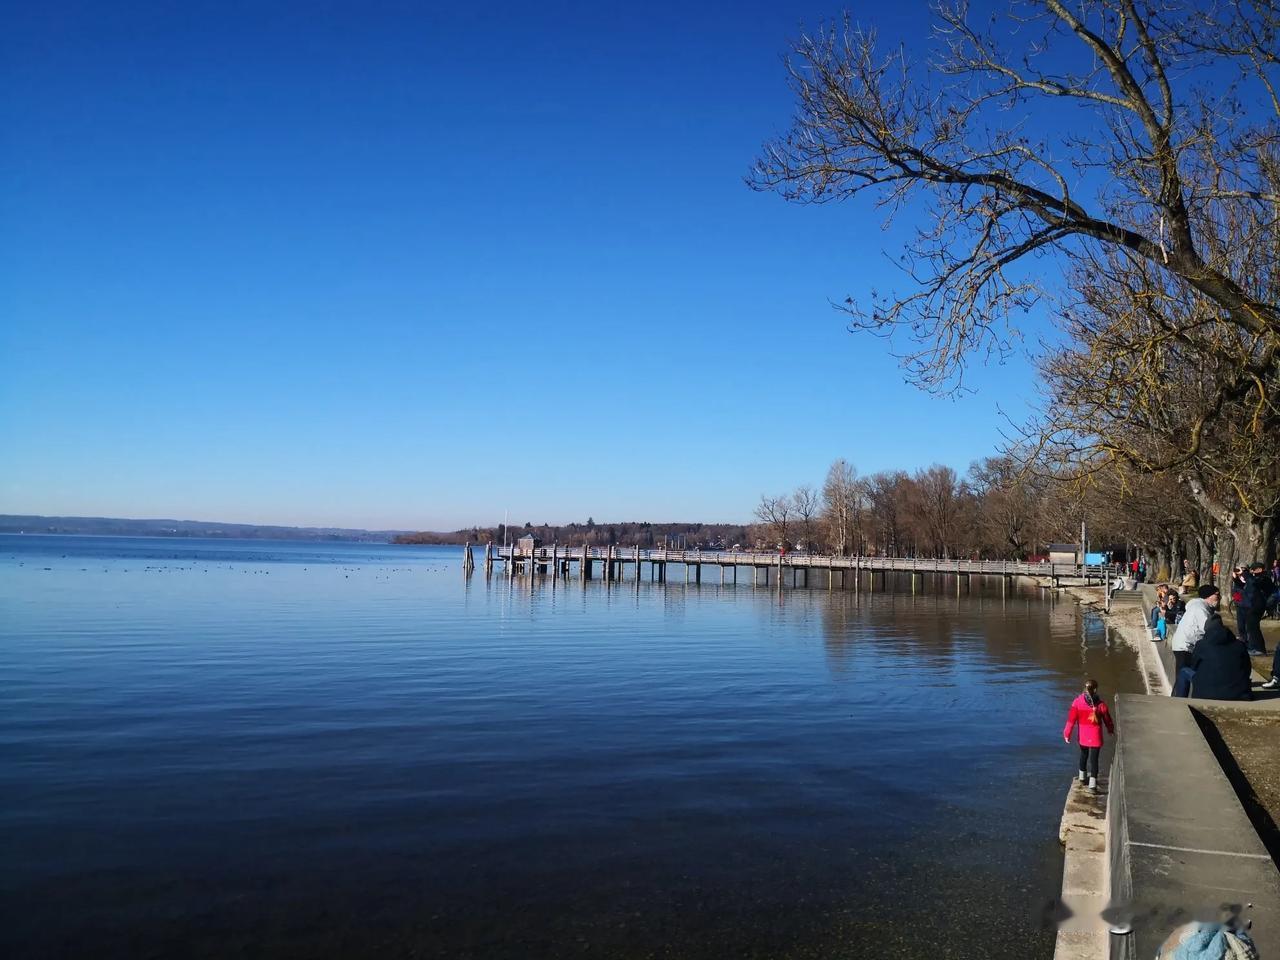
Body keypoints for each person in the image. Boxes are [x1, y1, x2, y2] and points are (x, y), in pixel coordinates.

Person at [1063, 678, 1115, 793]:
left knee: (1083, 755)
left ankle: (1082, 778)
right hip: (1095, 737)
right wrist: (1110, 730)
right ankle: (1092, 785)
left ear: (1084, 688)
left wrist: (1067, 734)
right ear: (1095, 690)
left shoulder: (1077, 702)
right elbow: (1108, 720)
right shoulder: (1101, 705)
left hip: (1083, 736)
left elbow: (1071, 720)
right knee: (1094, 760)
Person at [1190, 608, 1253, 701]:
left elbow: (1193, 667)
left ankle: (1179, 702)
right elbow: (1247, 669)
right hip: (1239, 694)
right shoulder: (1239, 645)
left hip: (1204, 693)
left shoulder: (1201, 645)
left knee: (1184, 672)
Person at [1171, 584, 1219, 679]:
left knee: (1184, 677)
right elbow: (1209, 629)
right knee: (1182, 679)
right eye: (1217, 594)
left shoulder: (1199, 605)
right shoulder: (1201, 609)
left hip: (1184, 645)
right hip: (1185, 647)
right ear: (1209, 596)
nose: (1219, 597)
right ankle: (1178, 694)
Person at [1242, 561, 1273, 656]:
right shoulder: (1256, 577)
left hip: (1258, 606)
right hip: (1251, 604)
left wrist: (1247, 575)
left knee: (1253, 627)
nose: (1251, 571)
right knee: (1250, 627)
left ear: (1259, 569)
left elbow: (1254, 583)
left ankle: (1259, 649)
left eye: (1253, 570)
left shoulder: (1264, 578)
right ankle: (1253, 646)